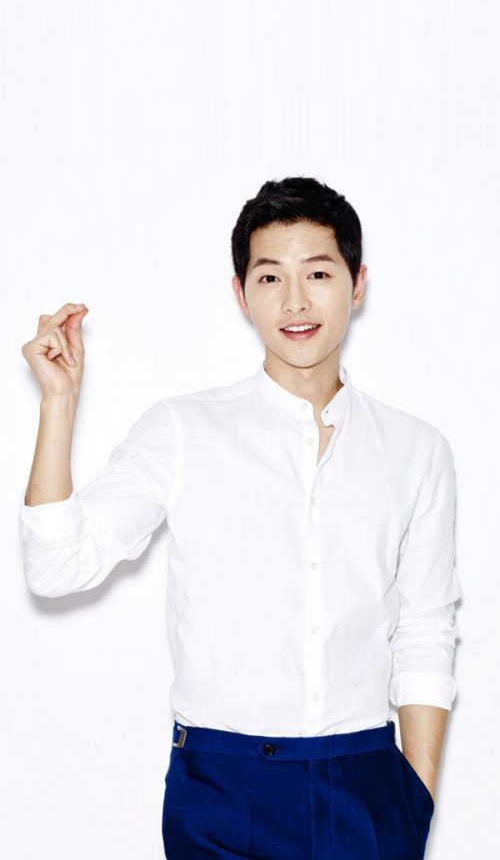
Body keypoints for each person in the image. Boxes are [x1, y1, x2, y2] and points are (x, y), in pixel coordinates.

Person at [19, 176, 462, 860]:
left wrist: (416, 794)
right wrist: (58, 403)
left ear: (357, 284)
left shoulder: (415, 448)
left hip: (365, 782)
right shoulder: (184, 430)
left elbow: (426, 626)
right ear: (241, 292)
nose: (295, 301)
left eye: (318, 273)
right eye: (270, 277)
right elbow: (56, 569)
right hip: (221, 788)